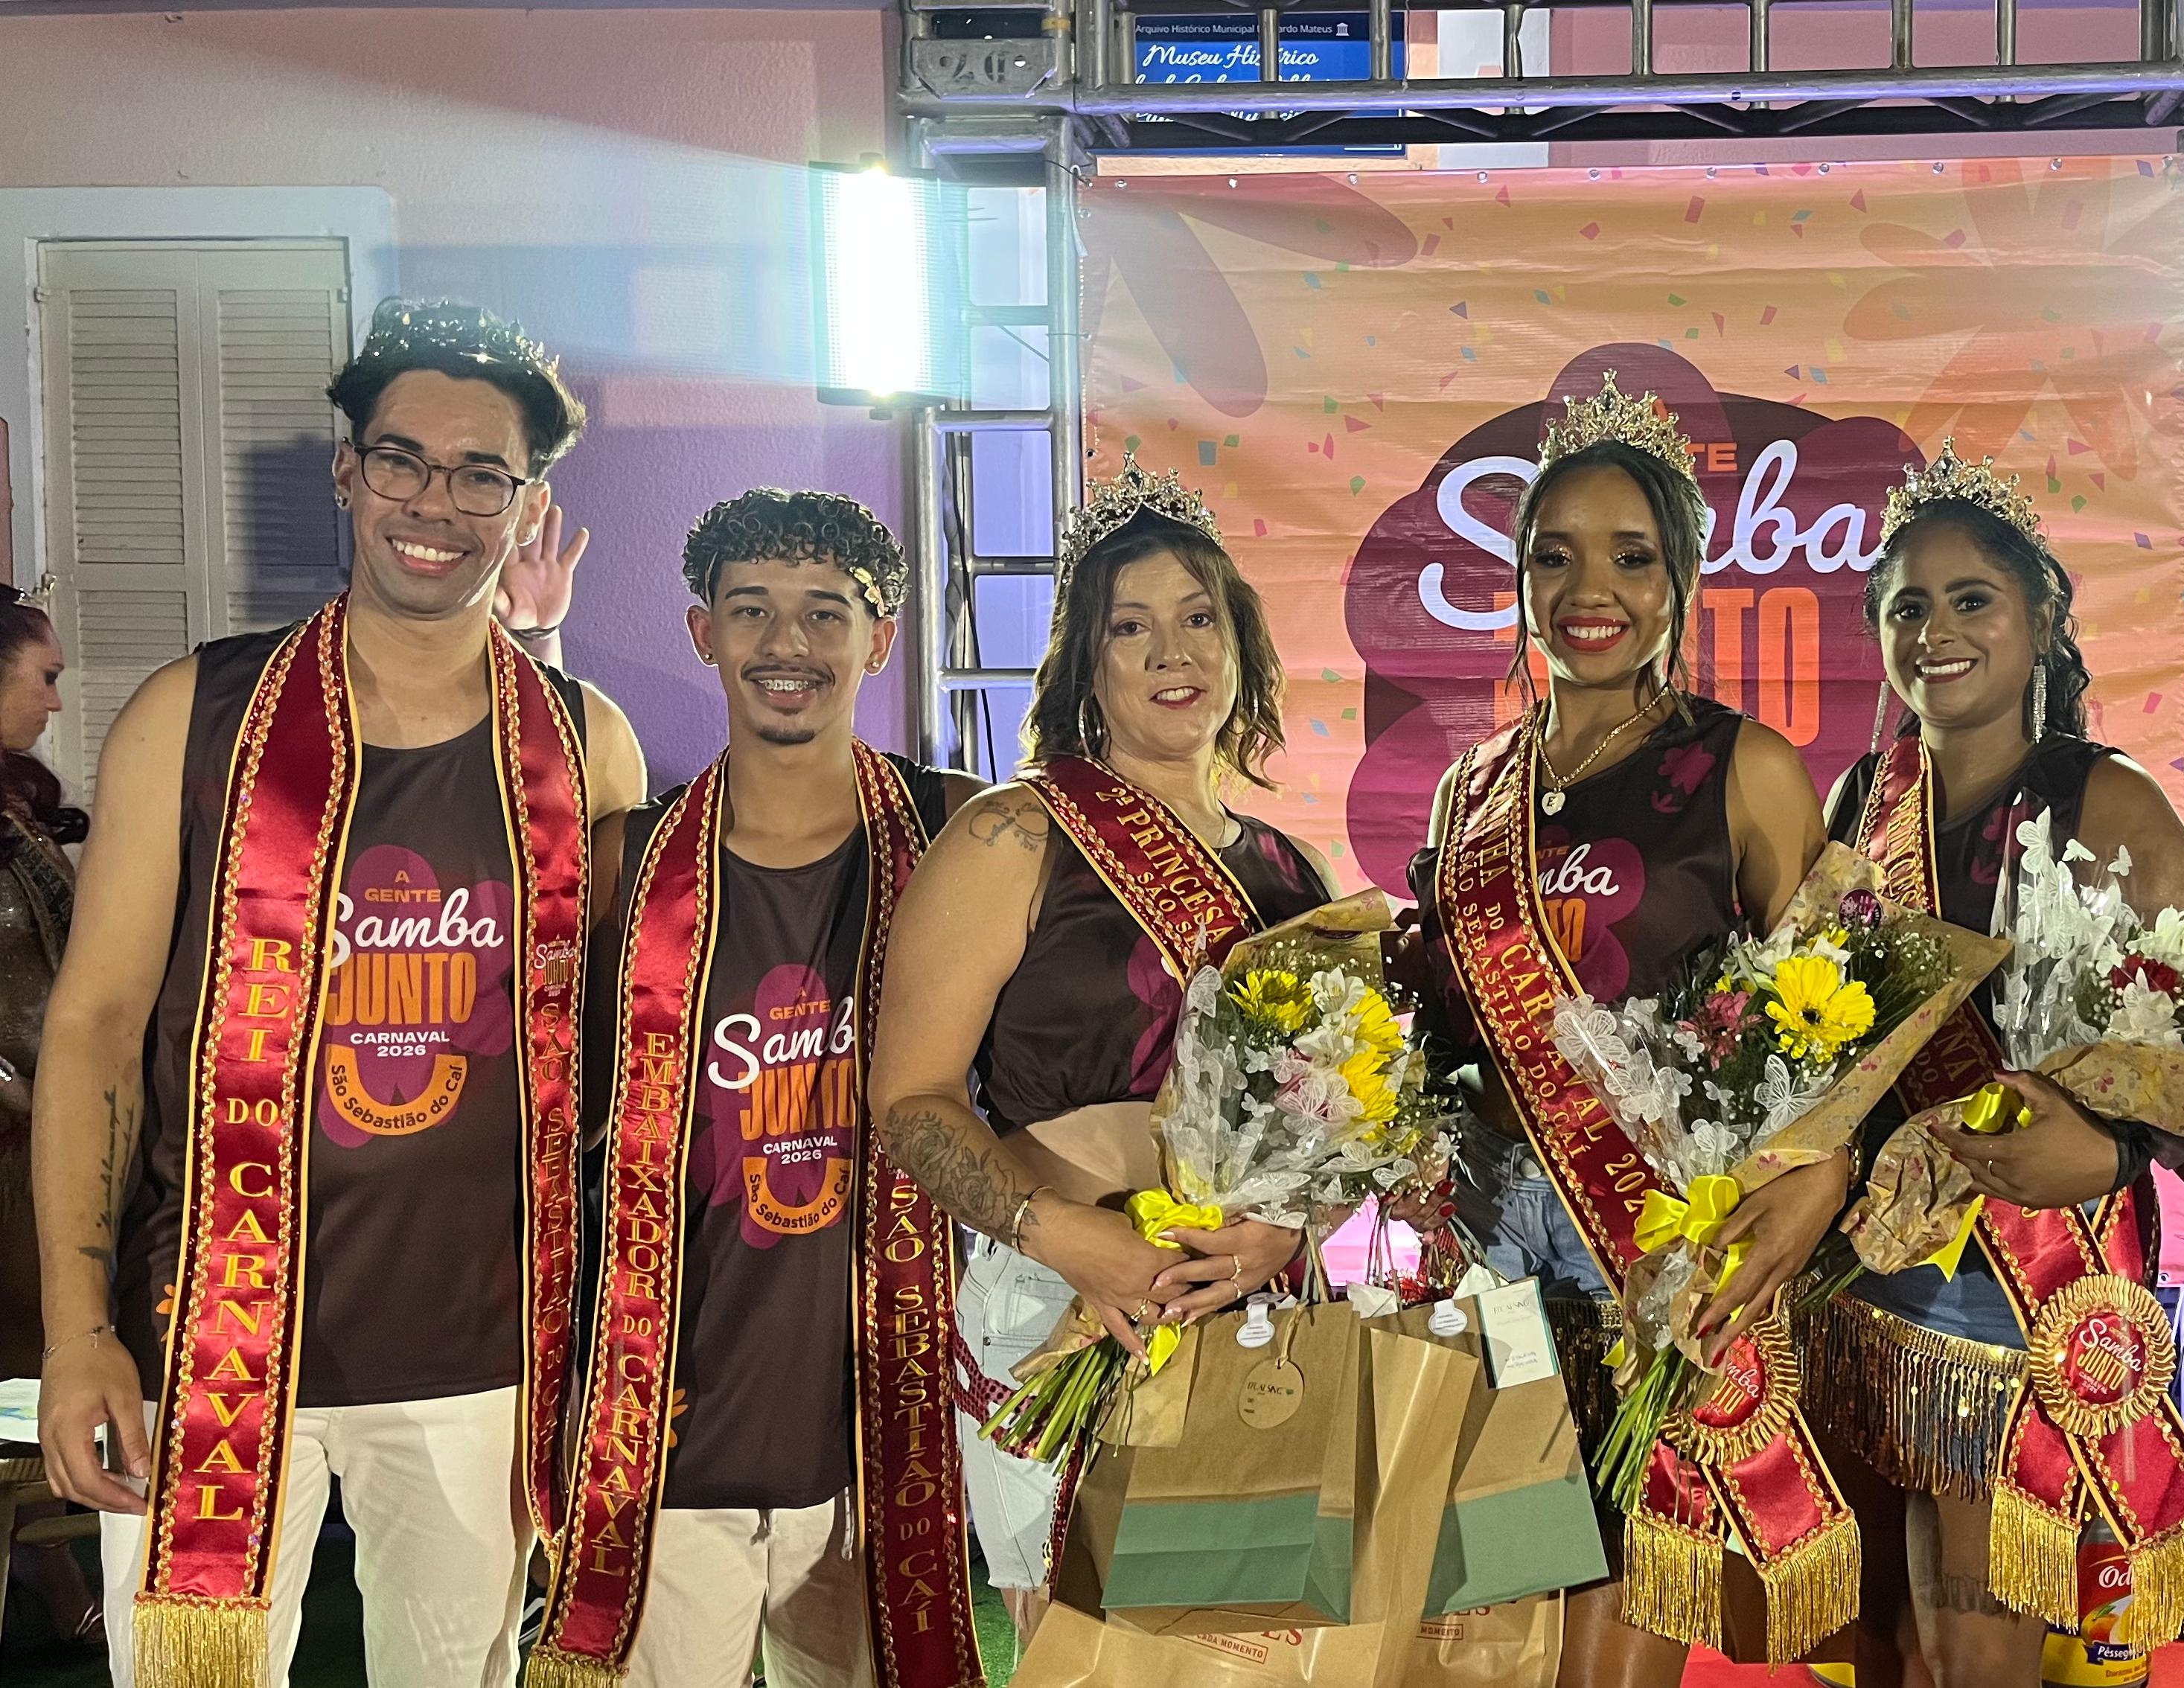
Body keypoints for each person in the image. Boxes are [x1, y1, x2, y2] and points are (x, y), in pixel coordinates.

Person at [29, 298, 646, 1688]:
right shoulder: (191, 716)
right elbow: (96, 1027)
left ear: (527, 504)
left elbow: (620, 1055)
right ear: (347, 472)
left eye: (481, 474)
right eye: (403, 460)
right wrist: (78, 1333)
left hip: (486, 1352)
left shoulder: (586, 745)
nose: (436, 503)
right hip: (211, 1329)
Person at [1409, 374, 1849, 1687]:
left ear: (1682, 583)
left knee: (1616, 1634)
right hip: (1490, 1233)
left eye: (1630, 557)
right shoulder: (1471, 790)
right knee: (1500, 1627)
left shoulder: (1745, 768)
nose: (1588, 589)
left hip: (1649, 1241)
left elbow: (1834, 1019)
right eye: (1554, 556)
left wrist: (1818, 1171)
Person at [526, 490, 983, 1688]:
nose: (788, 644)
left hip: (886, 1418)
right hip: (675, 1421)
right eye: (752, 611)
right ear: (703, 633)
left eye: (826, 612)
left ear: (880, 640)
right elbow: (547, 1128)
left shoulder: (961, 832)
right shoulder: (627, 861)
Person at [1810, 447, 2184, 1688]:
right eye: (1908, 608)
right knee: (1892, 1630)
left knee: (1981, 1630)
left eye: (1970, 600)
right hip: (1872, 1257)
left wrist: (2110, 1146)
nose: (1935, 632)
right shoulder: (1862, 797)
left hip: (2022, 1266)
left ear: (2041, 619)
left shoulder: (2112, 802)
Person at [866, 456, 1329, 1478]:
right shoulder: (1012, 836)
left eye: (1199, 618)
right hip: (1059, 1296)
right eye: (1130, 627)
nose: (1173, 651)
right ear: (1088, 661)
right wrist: (1069, 1238)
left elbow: (1338, 1123)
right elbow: (908, 1101)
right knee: (1073, 1589)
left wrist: (1289, 1229)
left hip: (1248, 1308)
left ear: (1240, 645)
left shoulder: (1296, 873)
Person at [0, 585, 98, 1647]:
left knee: (30, 1362)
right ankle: (46, 1579)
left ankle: (47, 1570)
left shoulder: (18, 811)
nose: (58, 700)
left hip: (46, 1128)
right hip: (11, 1130)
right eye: (46, 676)